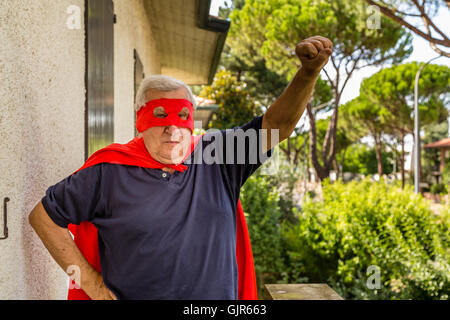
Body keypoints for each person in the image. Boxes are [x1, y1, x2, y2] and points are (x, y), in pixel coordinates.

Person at [29, 36, 333, 300]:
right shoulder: (109, 170)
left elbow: (276, 127)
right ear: (139, 120)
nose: (173, 130)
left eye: (182, 116)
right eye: (159, 115)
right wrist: (92, 284)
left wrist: (307, 73)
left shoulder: (218, 155)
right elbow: (43, 217)